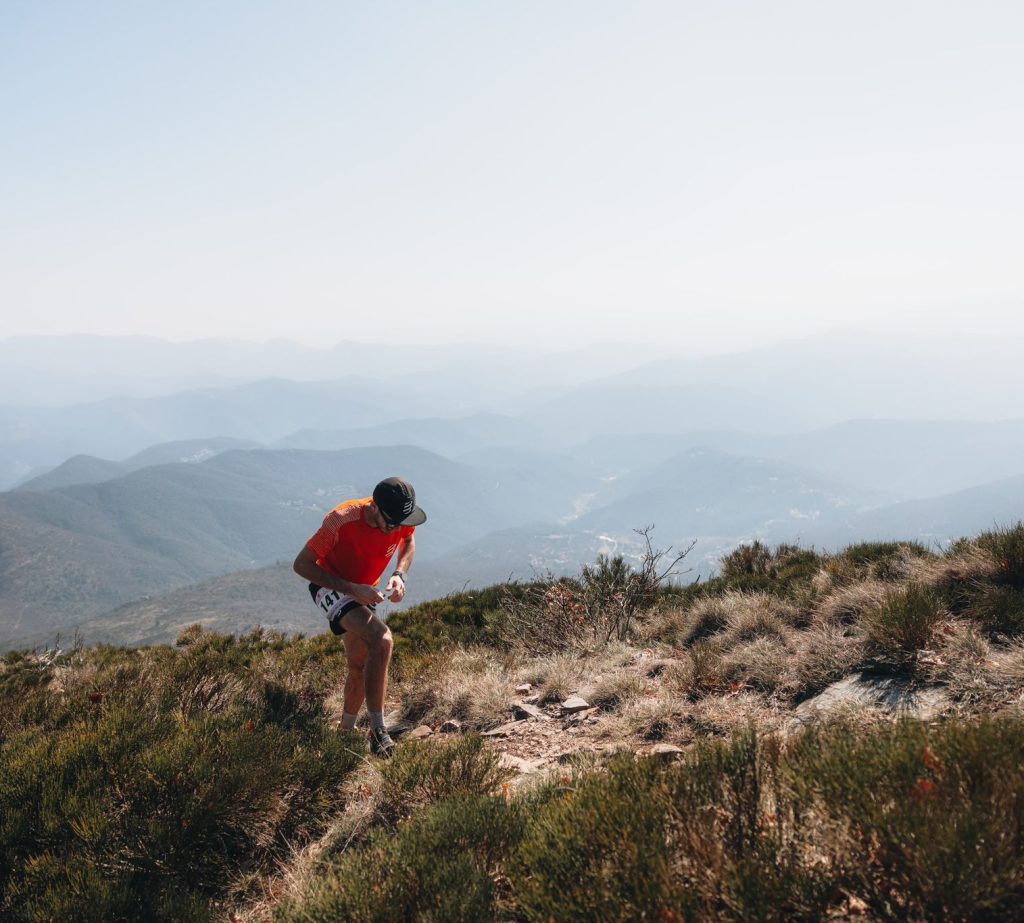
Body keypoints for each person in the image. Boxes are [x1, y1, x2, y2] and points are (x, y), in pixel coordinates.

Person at [293, 476, 426, 756]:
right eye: (391, 523)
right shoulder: (340, 520)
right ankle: (378, 732)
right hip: (331, 585)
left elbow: (409, 542)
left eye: (401, 522)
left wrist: (400, 575)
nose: (396, 528)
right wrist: (351, 588)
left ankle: (344, 734)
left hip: (364, 590)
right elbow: (301, 565)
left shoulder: (398, 518)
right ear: (374, 508)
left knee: (359, 663)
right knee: (382, 639)